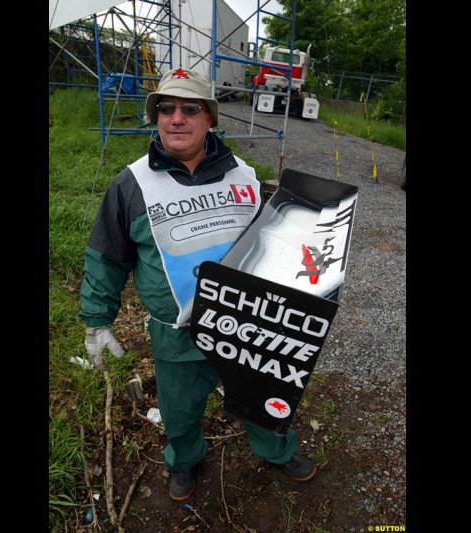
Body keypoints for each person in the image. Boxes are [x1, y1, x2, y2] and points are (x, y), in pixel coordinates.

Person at [80, 68, 316, 502]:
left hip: (245, 324)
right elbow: (107, 256)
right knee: (179, 410)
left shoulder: (244, 175)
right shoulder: (131, 185)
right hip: (178, 333)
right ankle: (184, 460)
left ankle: (276, 449)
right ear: (156, 119)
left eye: (190, 109)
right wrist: (97, 319)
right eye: (165, 109)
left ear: (210, 118)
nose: (176, 118)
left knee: (261, 395)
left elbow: (270, 242)